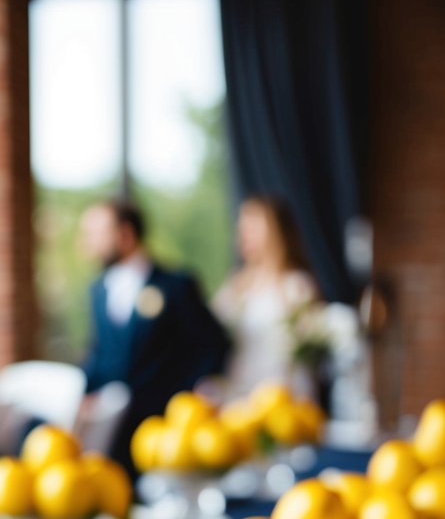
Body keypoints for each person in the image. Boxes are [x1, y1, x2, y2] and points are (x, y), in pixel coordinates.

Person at [79, 199, 231, 471]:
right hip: (110, 428)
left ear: (125, 235)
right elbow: (98, 350)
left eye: (95, 233)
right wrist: (83, 393)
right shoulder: (97, 290)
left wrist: (193, 392)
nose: (87, 242)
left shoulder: (176, 285)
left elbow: (213, 344)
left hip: (166, 430)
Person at [212, 195, 320, 398]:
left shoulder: (296, 286)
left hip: (284, 394)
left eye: (252, 227)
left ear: (274, 231)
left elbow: (309, 351)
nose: (244, 235)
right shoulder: (234, 287)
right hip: (240, 392)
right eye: (242, 228)